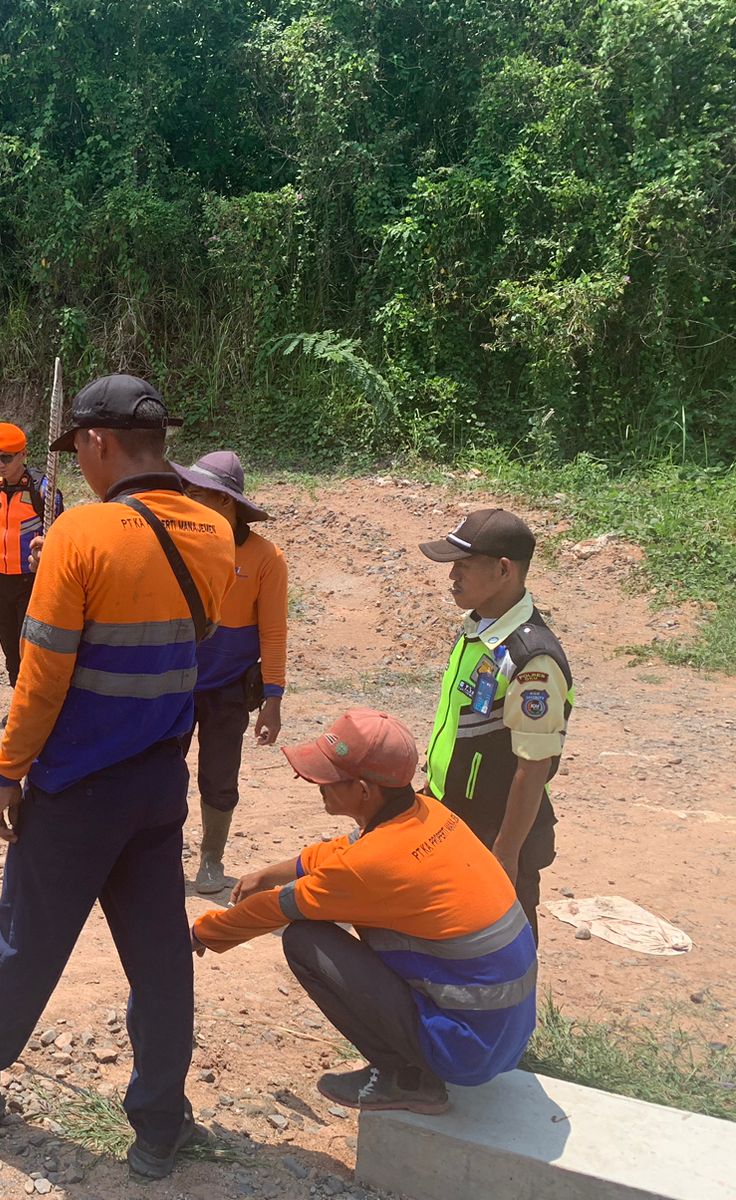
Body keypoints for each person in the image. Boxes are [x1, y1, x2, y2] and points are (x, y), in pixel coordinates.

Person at [0, 375, 236, 1181]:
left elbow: (41, 680)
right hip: (159, 785)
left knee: (28, 939)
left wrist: (8, 771)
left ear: (96, 443)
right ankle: (159, 1123)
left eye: (77, 447)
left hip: (77, 785)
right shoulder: (215, 532)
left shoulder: (82, 533)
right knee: (158, 956)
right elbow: (198, 638)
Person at [190, 708, 537, 1113]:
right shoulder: (428, 813)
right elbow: (346, 848)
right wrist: (268, 871)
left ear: (365, 791)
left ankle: (406, 1078)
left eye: (328, 779)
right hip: (505, 1033)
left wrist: (201, 933)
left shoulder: (371, 865)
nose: (314, 783)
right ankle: (415, 1060)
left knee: (305, 939)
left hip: (465, 1048)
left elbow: (277, 908)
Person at [419, 509, 573, 943]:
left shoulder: (532, 658)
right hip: (457, 816)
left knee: (506, 948)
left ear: (503, 569)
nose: (452, 575)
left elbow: (533, 767)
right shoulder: (480, 631)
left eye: (463, 565)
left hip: (497, 834)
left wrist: (504, 853)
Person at [172, 452, 288, 893]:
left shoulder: (265, 558)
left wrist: (272, 700)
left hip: (228, 689)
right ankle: (158, 857)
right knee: (163, 772)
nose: (186, 503)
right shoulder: (175, 544)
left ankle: (210, 861)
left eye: (197, 496)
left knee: (219, 777)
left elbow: (274, 633)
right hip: (174, 682)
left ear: (226, 503)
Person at [0, 422, 63, 686]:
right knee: (10, 650)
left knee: (30, 650)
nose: (0, 465)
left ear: (23, 455)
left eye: (6, 458)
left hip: (31, 584)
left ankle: (33, 708)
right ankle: (20, 703)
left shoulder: (43, 490)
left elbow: (61, 537)